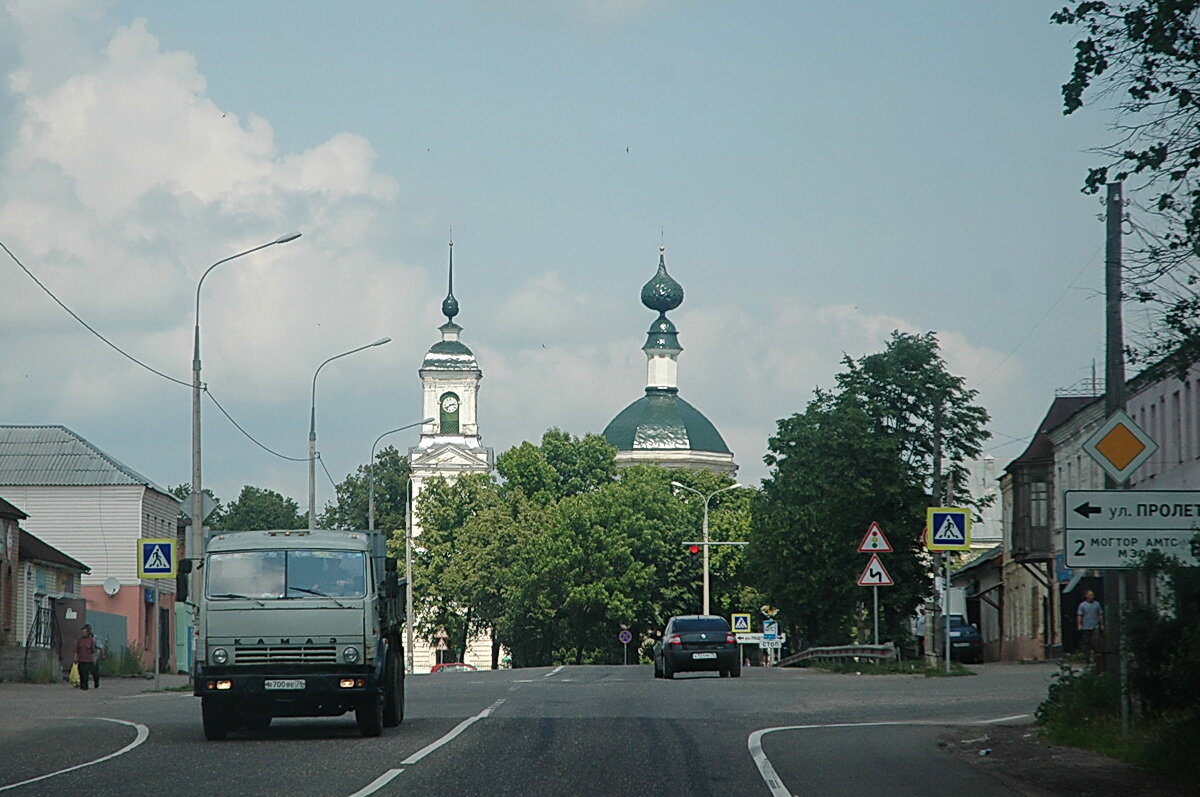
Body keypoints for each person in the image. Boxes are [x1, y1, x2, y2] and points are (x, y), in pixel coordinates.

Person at [1076, 590, 1104, 665]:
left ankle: (1095, 658)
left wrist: (1101, 624)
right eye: (1090, 595)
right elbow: (1079, 615)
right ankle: (1087, 659)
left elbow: (1100, 614)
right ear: (1086, 596)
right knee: (1086, 643)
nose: (1092, 596)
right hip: (1086, 627)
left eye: (1092, 594)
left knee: (1095, 642)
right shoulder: (1082, 605)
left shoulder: (1097, 604)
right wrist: (1079, 624)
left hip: (1095, 626)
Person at [74, 624, 99, 690]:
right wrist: (75, 658)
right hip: (81, 659)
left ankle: (85, 685)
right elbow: (76, 650)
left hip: (88, 660)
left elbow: (93, 651)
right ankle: (82, 684)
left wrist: (94, 659)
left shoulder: (90, 640)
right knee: (81, 672)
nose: (83, 633)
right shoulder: (80, 640)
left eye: (85, 632)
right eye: (82, 632)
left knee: (86, 673)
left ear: (88, 633)